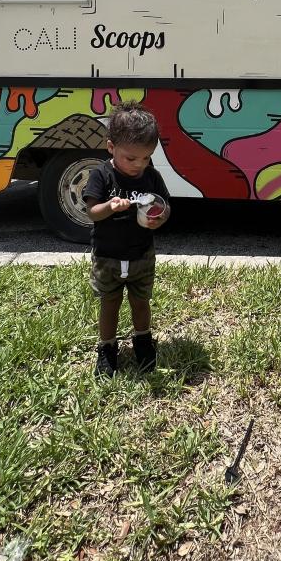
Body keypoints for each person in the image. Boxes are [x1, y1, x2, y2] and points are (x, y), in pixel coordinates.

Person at [82, 101, 171, 378]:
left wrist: (159, 217)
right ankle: (107, 347)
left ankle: (143, 339)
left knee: (140, 302)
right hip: (107, 256)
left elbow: (165, 206)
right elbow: (92, 212)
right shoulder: (101, 175)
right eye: (131, 158)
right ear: (111, 147)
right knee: (110, 303)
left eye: (146, 158)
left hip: (141, 255)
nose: (138, 165)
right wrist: (110, 206)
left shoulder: (151, 177)